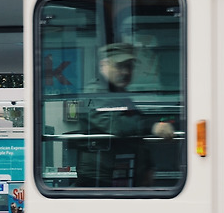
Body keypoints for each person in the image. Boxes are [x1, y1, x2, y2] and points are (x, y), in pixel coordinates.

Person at [72, 42, 174, 186]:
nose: (126, 72)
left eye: (129, 66)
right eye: (119, 66)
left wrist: (147, 166)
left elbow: (135, 134)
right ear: (104, 65)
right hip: (99, 177)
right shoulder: (94, 92)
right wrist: (152, 127)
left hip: (119, 171)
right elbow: (116, 124)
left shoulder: (120, 94)